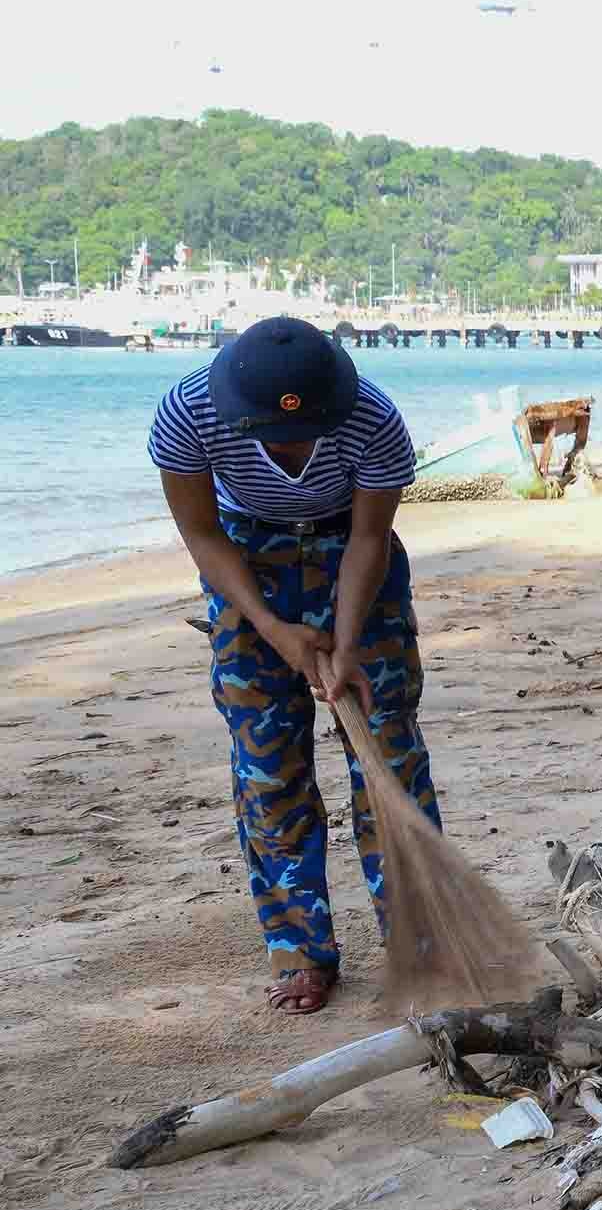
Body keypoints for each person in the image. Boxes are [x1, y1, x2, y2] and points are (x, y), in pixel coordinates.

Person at [148, 316, 431, 1016]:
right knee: (267, 765)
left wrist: (347, 640)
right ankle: (301, 953)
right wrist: (273, 630)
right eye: (274, 434)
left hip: (351, 551)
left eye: (308, 432)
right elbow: (201, 531)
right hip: (245, 556)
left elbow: (370, 536)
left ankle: (421, 941)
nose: (293, 444)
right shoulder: (188, 413)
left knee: (387, 753)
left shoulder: (373, 419)